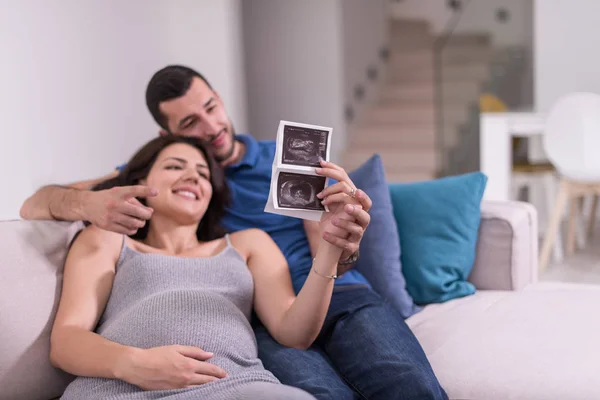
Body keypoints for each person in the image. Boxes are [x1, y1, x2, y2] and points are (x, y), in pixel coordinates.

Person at [21, 65, 448, 399]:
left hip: (337, 294)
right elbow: (34, 205)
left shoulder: (287, 159)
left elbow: (328, 248)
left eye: (210, 107)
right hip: (256, 311)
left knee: (408, 386)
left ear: (220, 99)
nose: (210, 127)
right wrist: (88, 204)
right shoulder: (159, 177)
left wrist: (341, 242)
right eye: (189, 123)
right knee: (319, 393)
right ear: (164, 137)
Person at [50, 134, 360, 399]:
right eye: (174, 166)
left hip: (235, 387)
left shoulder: (248, 244)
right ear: (140, 181)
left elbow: (295, 333)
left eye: (202, 173)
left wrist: (331, 249)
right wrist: (135, 363)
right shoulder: (108, 239)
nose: (192, 177)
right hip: (119, 387)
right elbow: (66, 340)